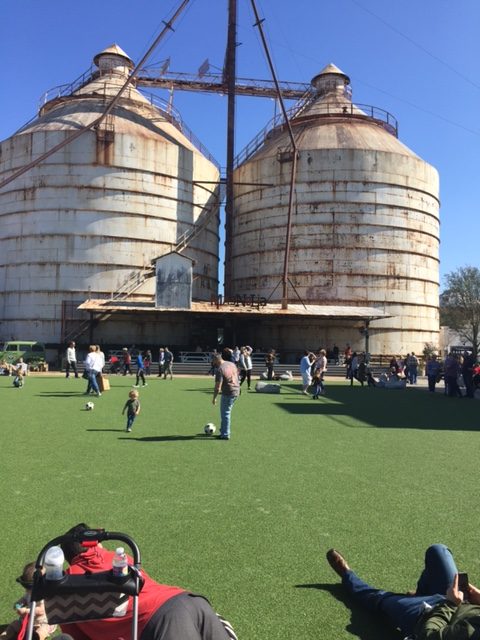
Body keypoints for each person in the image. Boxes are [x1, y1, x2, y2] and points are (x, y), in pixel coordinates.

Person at [58, 524, 236, 640]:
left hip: (161, 624)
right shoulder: (121, 558)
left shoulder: (63, 586)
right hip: (190, 601)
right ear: (96, 543)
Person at [326, 544, 480, 640]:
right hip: (462, 600)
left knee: (381, 600)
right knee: (438, 551)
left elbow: (428, 635)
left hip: (429, 614)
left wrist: (450, 603)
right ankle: (421, 595)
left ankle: (348, 576)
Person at [0, 561, 73, 640]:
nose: (27, 591)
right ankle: (4, 637)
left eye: (29, 589)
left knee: (42, 631)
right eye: (26, 589)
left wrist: (26, 611)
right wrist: (19, 603)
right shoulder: (29, 592)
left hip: (42, 623)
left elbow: (41, 610)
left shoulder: (44, 595)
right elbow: (25, 598)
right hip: (28, 621)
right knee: (14, 624)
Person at [212, 349, 240, 440]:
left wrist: (214, 398)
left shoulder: (220, 369)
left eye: (213, 360)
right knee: (227, 412)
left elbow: (217, 387)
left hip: (228, 392)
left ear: (216, 360)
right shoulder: (231, 364)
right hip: (236, 390)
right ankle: (223, 429)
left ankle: (225, 434)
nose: (213, 362)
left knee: (225, 413)